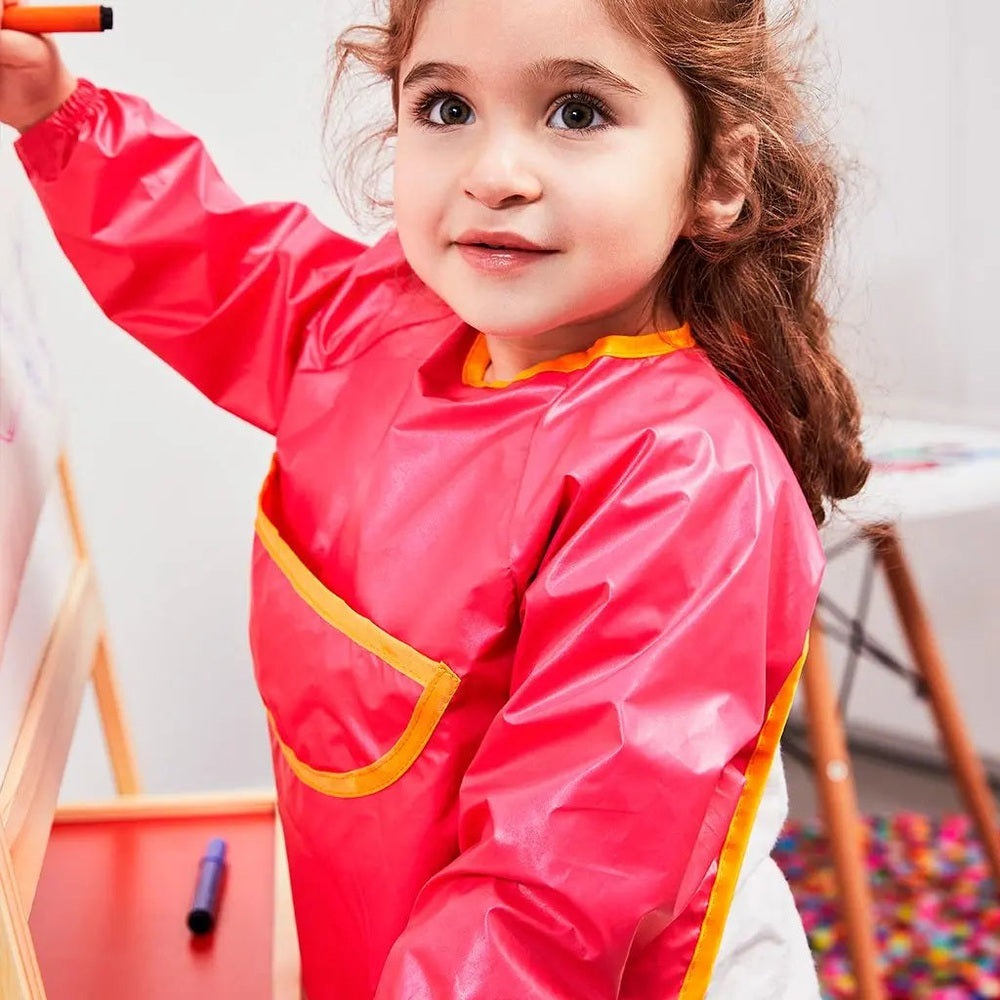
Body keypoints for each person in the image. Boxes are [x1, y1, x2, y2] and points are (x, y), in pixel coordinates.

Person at [0, 0, 870, 996]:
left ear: (718, 178)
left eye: (578, 112)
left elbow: (545, 896)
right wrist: (56, 111)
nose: (494, 174)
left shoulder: (680, 478)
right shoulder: (391, 320)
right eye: (448, 108)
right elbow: (226, 271)